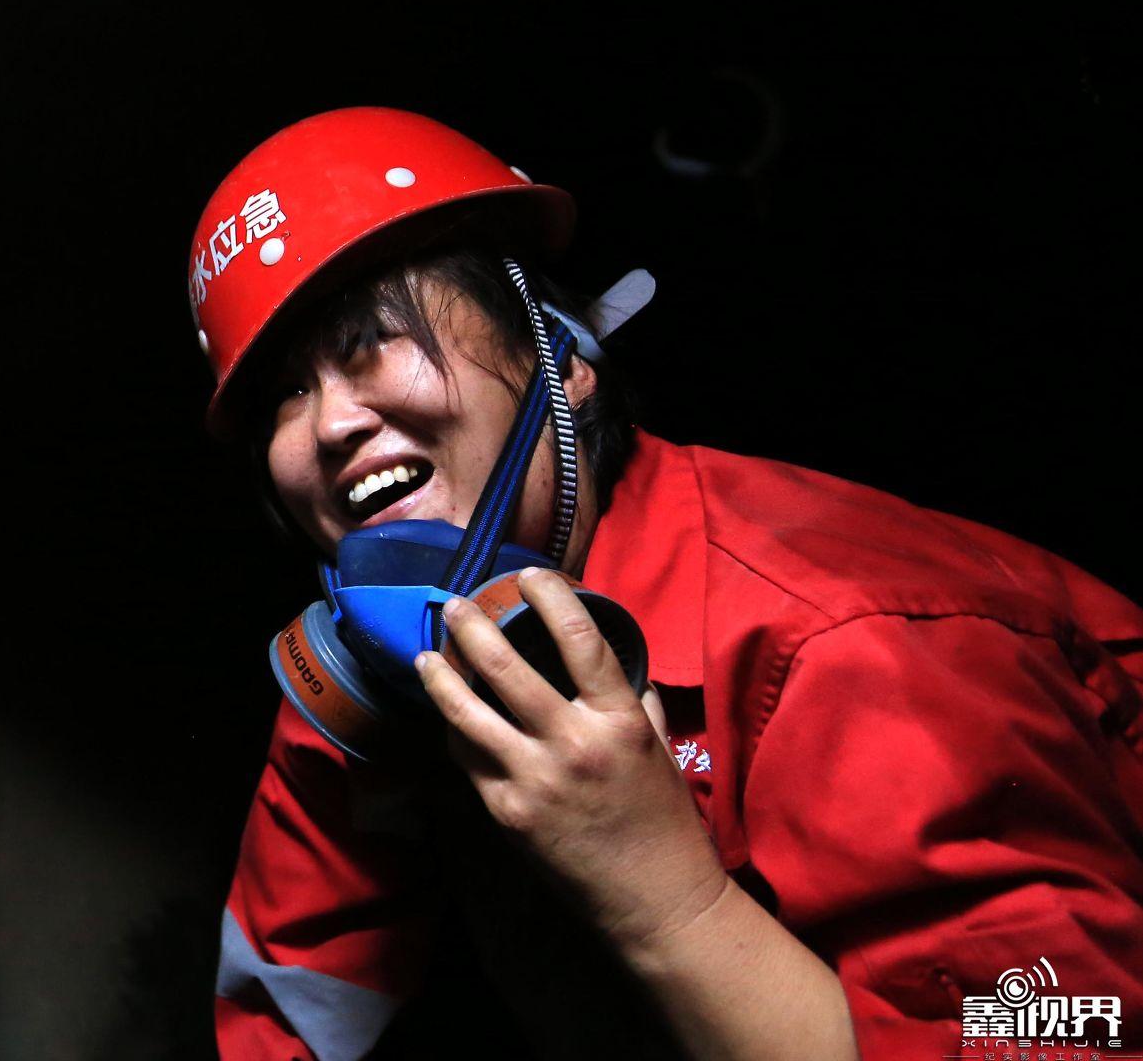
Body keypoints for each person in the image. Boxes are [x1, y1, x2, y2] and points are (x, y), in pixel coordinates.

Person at [192, 108, 1143, 1061]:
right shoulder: (378, 662)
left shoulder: (847, 639)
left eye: (368, 346)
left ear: (559, 365)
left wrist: (666, 899)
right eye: (286, 391)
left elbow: (1069, 1039)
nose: (327, 426)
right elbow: (283, 1013)